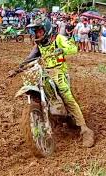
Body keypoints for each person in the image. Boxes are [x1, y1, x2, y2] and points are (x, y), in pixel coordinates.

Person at [23, 17, 95, 148]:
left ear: (46, 30)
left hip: (59, 72)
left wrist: (62, 50)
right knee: (34, 88)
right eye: (35, 32)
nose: (37, 34)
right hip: (45, 72)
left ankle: (85, 130)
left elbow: (73, 48)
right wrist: (18, 67)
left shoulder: (58, 39)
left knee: (67, 97)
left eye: (39, 31)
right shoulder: (39, 44)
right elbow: (30, 57)